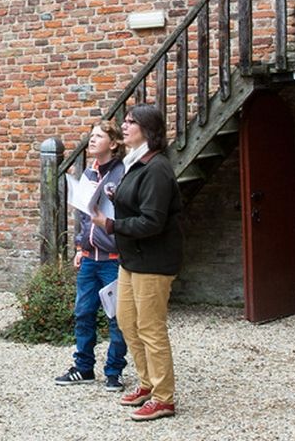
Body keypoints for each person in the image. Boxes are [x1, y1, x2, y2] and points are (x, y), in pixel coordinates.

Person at [100, 104, 184, 422]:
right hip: (132, 258)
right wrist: (114, 196)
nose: (125, 125)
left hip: (154, 261)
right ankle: (147, 383)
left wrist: (110, 225)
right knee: (127, 322)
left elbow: (152, 222)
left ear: (148, 130)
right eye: (126, 120)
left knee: (151, 328)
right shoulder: (136, 163)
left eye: (132, 122)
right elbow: (137, 202)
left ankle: (164, 398)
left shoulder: (157, 168)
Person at [53, 122, 129, 390]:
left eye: (98, 136)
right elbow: (83, 216)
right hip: (88, 258)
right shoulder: (88, 173)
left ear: (114, 143)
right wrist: (78, 247)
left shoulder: (122, 173)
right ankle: (83, 367)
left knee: (117, 317)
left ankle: (114, 371)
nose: (92, 140)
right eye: (91, 136)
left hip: (113, 259)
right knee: (83, 313)